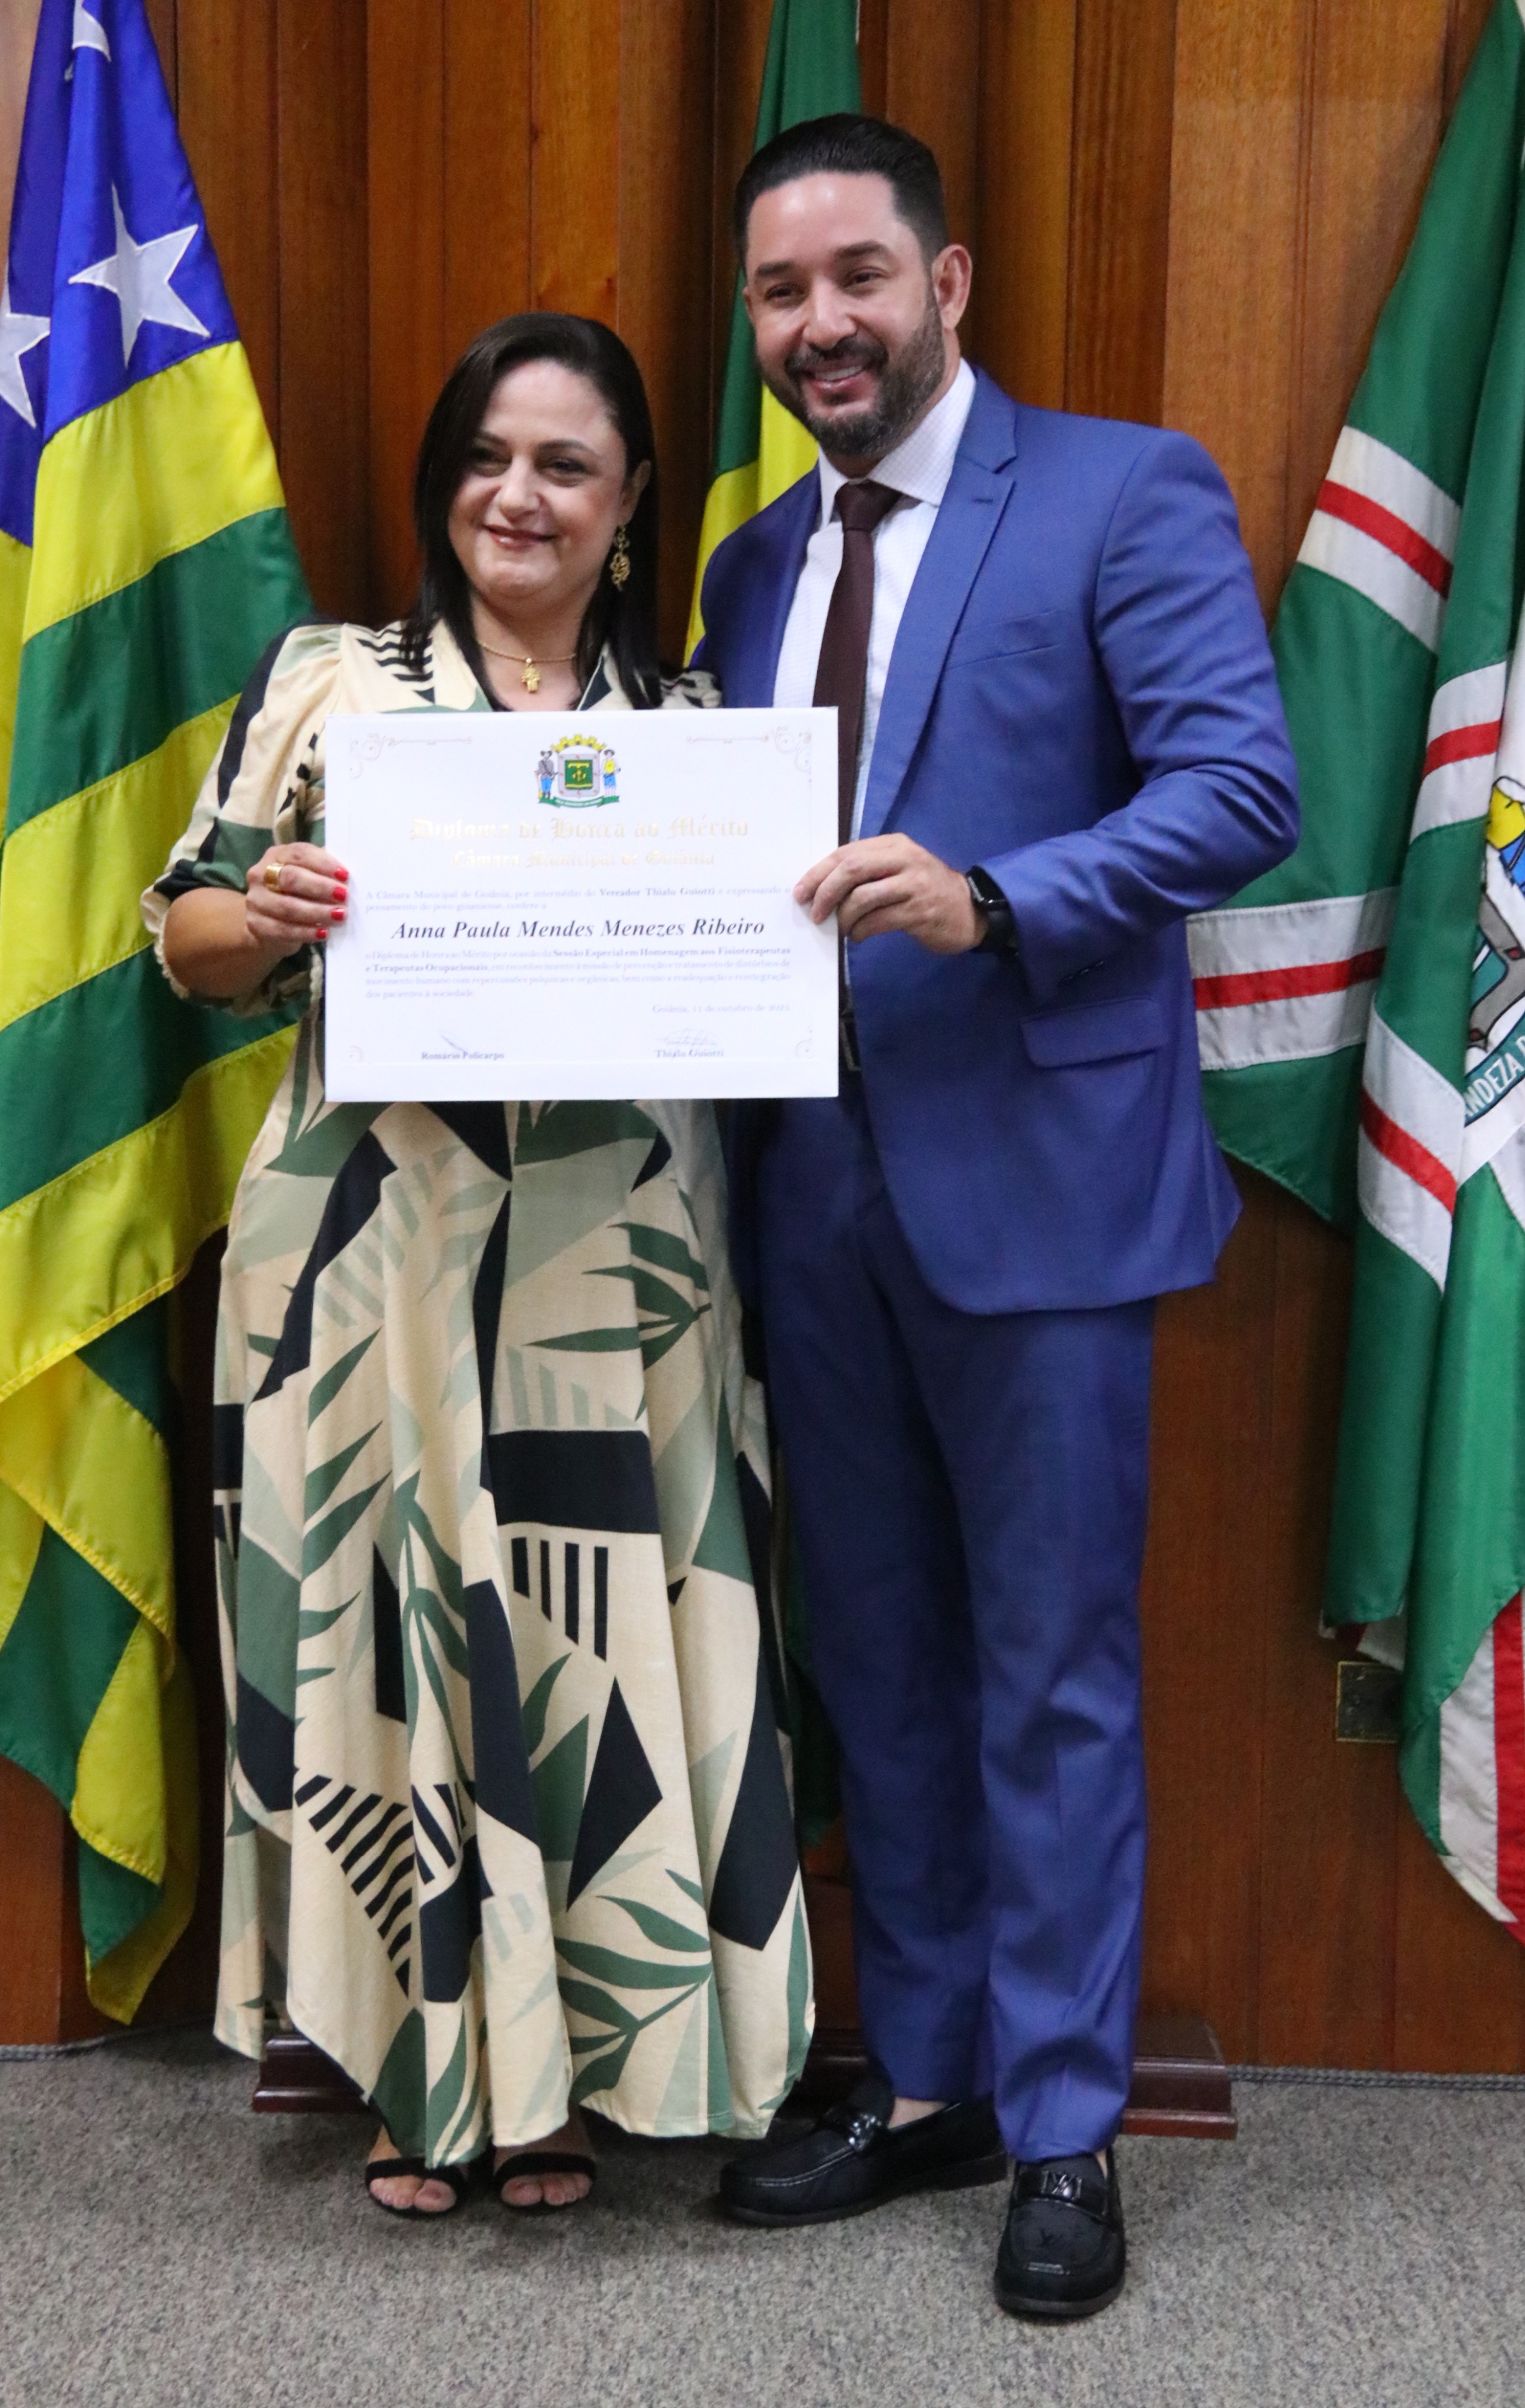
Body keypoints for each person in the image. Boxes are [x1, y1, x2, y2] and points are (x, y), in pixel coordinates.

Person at [697, 118, 1298, 2317]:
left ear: (946, 284)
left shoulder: (1126, 492)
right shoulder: (750, 566)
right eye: (782, 293)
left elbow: (1242, 786)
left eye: (858, 276)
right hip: (807, 1185)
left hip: (1040, 1179)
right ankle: (935, 2074)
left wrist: (999, 896)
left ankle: (1063, 2124)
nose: (823, 324)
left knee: (1049, 1672)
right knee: (876, 1653)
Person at [144, 313, 810, 2220]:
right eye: (486, 457)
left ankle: (574, 2075)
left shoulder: (705, 734)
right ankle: (421, 2073)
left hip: (623, 1265)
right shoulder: (332, 683)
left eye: (564, 465)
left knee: (599, 1645)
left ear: (631, 501)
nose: (516, 496)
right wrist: (264, 914)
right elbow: (180, 936)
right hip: (376, 1252)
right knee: (402, 1636)